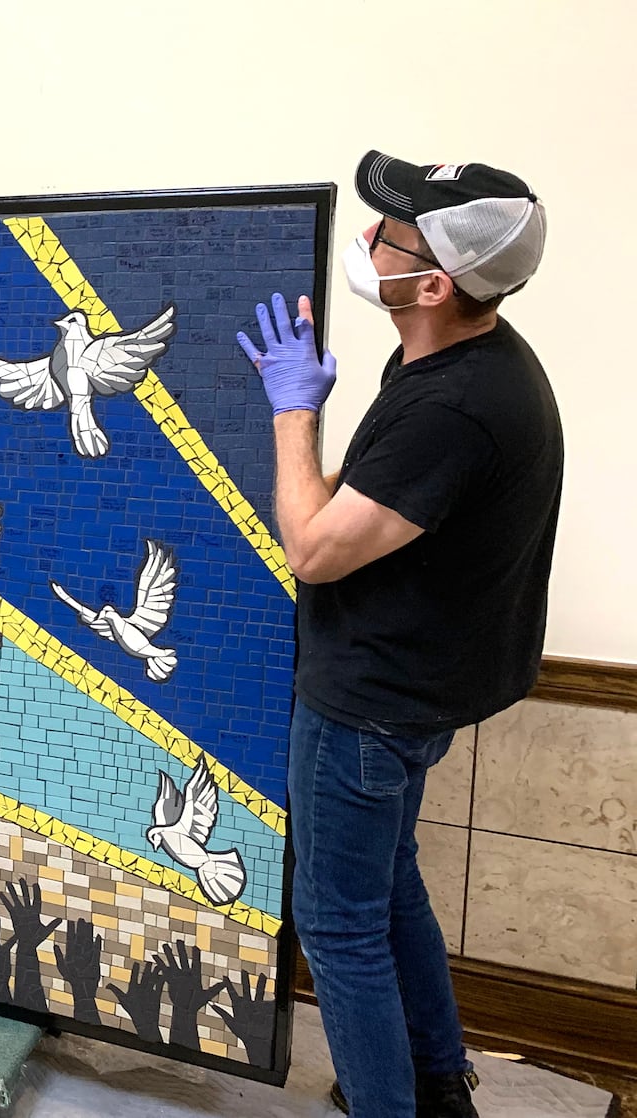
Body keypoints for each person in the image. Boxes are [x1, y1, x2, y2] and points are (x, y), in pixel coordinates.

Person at [237, 152, 561, 1118]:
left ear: (431, 283)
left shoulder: (455, 406)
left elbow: (315, 548)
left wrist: (294, 414)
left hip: (370, 707)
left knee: (337, 927)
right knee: (392, 885)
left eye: (391, 235)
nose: (367, 241)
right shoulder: (463, 359)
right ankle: (436, 1079)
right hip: (414, 693)